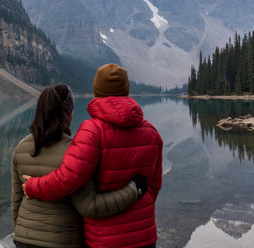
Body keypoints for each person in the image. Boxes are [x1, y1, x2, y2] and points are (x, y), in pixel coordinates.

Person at [24, 64, 163, 248]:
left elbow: (68, 179)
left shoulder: (92, 131)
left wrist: (33, 186)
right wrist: (139, 208)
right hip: (145, 236)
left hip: (105, 239)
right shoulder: (151, 132)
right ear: (126, 90)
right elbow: (154, 185)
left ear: (96, 91)